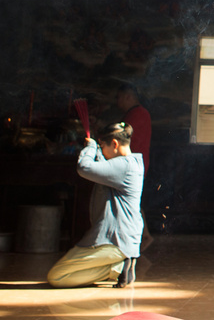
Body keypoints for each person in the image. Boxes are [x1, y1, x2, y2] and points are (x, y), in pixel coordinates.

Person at [47, 122, 144, 288]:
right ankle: (116, 266)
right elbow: (101, 165)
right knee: (60, 274)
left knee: (57, 276)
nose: (102, 149)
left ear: (114, 144)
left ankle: (116, 268)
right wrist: (96, 148)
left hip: (115, 241)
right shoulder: (131, 163)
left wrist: (91, 147)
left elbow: (84, 167)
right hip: (124, 238)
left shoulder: (123, 165)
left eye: (102, 145)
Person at [117, 83, 153, 248]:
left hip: (133, 164)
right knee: (133, 200)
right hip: (137, 163)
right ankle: (144, 234)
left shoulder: (136, 114)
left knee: (131, 200)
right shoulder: (138, 113)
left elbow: (123, 137)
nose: (118, 102)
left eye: (119, 97)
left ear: (128, 97)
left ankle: (143, 234)